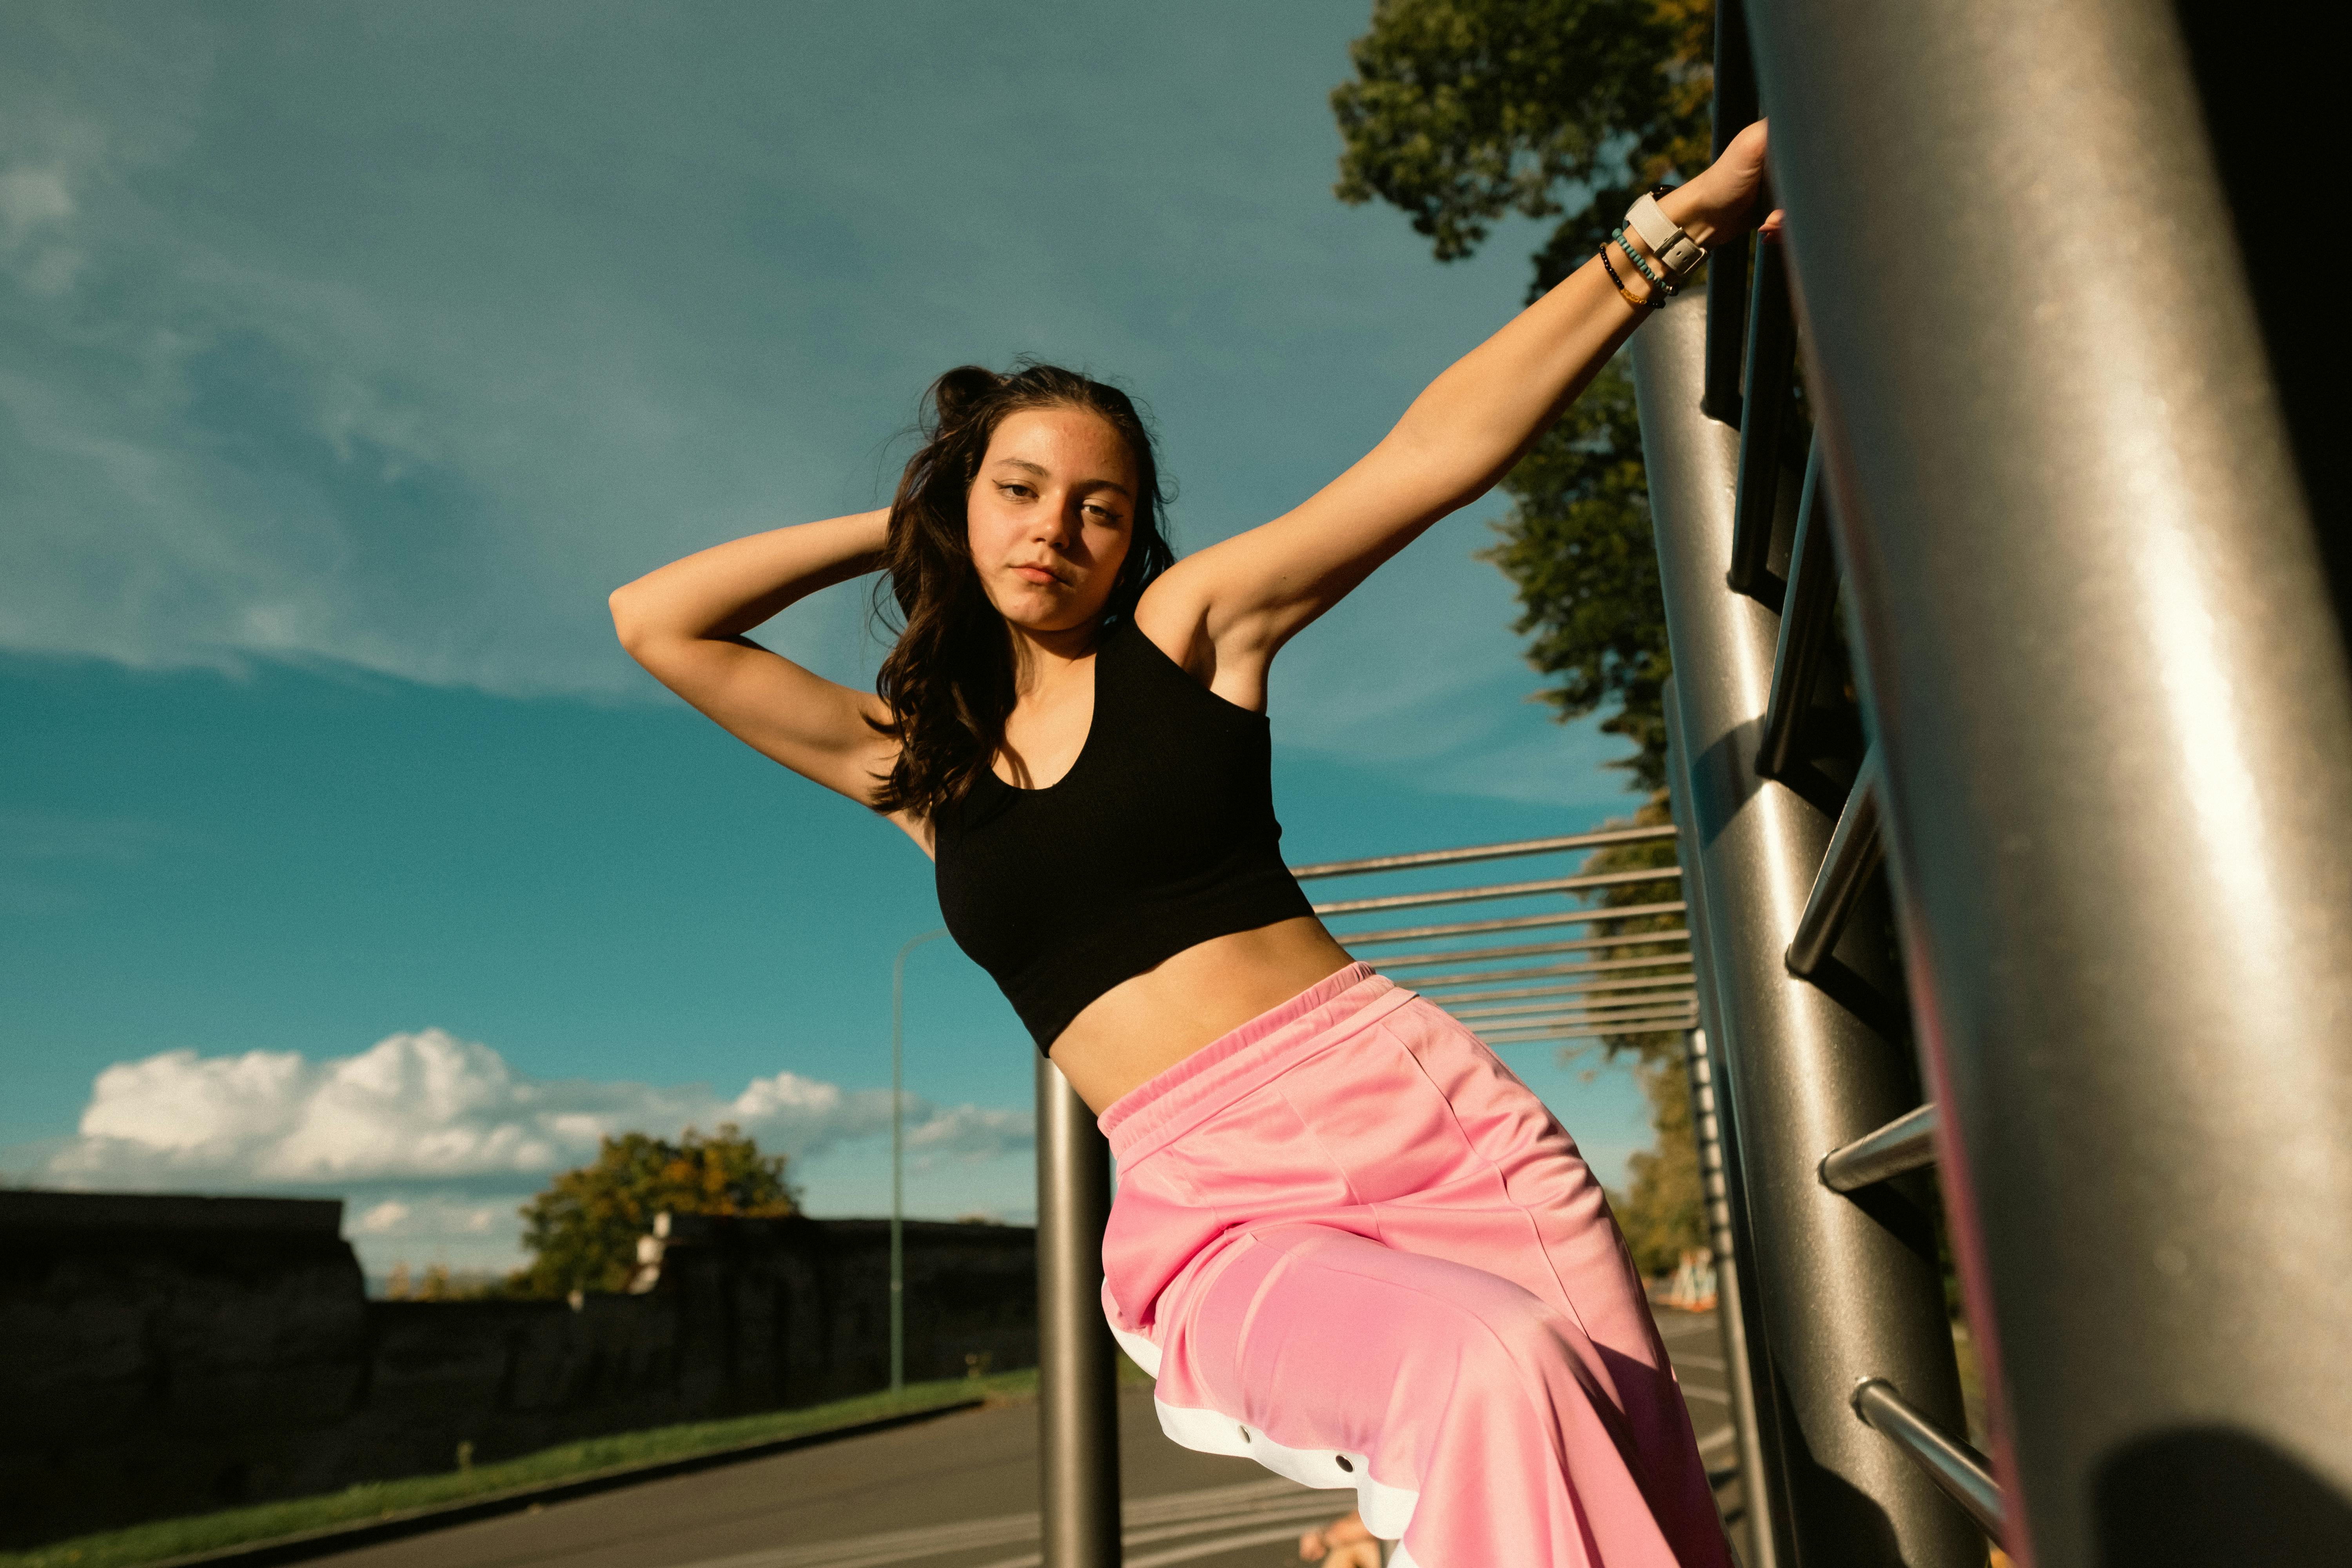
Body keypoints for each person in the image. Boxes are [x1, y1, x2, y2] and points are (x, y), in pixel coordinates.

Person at [611, 120, 1775, 1568]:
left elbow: (1434, 456)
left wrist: (1671, 231)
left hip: (1431, 1129)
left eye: (1100, 507)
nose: (1057, 529)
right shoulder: (920, 771)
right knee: (1490, 1367)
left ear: (1134, 539)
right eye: (1017, 490)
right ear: (960, 502)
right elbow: (658, 621)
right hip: (1209, 1208)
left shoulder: (1185, 638)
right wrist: (915, 508)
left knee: (1647, 1510)